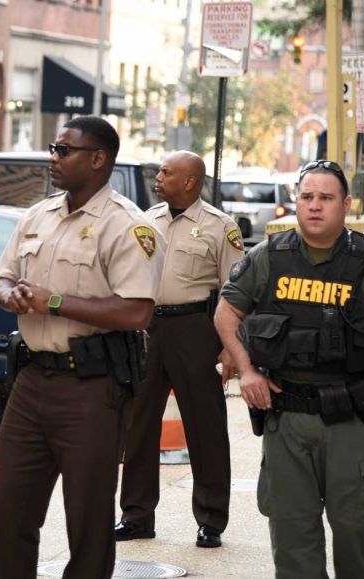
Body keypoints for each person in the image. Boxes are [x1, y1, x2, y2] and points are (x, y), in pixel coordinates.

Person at [214, 160, 364, 577]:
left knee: (357, 538)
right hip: (286, 419)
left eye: (326, 198)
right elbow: (227, 311)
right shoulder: (269, 257)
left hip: (352, 420)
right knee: (292, 541)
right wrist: (247, 369)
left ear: (346, 204)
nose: (315, 206)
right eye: (307, 197)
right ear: (296, 202)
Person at [0, 116, 166, 578]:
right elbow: (3, 279)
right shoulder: (37, 213)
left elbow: (136, 312)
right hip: (29, 380)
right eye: (53, 148)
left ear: (98, 159)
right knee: (6, 511)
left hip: (91, 387)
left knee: (86, 517)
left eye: (64, 150)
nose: (53, 158)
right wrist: (12, 296)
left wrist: (57, 302)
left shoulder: (127, 226)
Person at [116, 151, 241, 548]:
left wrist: (230, 347)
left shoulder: (221, 227)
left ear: (189, 181)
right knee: (138, 423)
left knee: (204, 426)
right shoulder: (145, 221)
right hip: (149, 329)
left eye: (167, 173)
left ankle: (211, 519)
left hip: (196, 330)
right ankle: (136, 515)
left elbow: (236, 292)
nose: (159, 177)